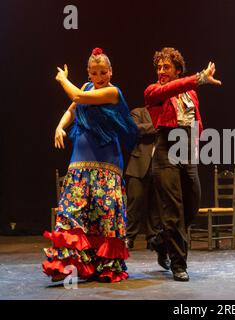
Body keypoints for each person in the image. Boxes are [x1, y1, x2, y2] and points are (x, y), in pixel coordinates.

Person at [42, 48, 138, 282]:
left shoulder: (113, 92)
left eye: (103, 72)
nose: (99, 77)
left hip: (107, 162)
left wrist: (64, 80)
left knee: (104, 215)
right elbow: (72, 109)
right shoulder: (85, 87)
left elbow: (76, 98)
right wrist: (60, 126)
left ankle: (106, 266)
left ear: (110, 72)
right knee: (72, 211)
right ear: (88, 73)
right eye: (94, 73)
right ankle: (68, 266)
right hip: (80, 160)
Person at [144, 47, 221, 281]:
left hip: (187, 150)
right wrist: (199, 78)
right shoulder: (154, 90)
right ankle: (179, 264)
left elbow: (196, 120)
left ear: (178, 70)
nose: (162, 71)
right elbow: (173, 88)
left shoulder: (191, 94)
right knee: (173, 210)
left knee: (192, 204)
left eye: (167, 67)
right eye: (159, 67)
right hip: (166, 148)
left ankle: (159, 239)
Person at [125, 106, 170, 270]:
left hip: (161, 166)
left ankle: (157, 246)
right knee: (134, 203)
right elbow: (134, 128)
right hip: (139, 165)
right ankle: (128, 238)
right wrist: (159, 125)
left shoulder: (168, 114)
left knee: (157, 210)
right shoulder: (139, 112)